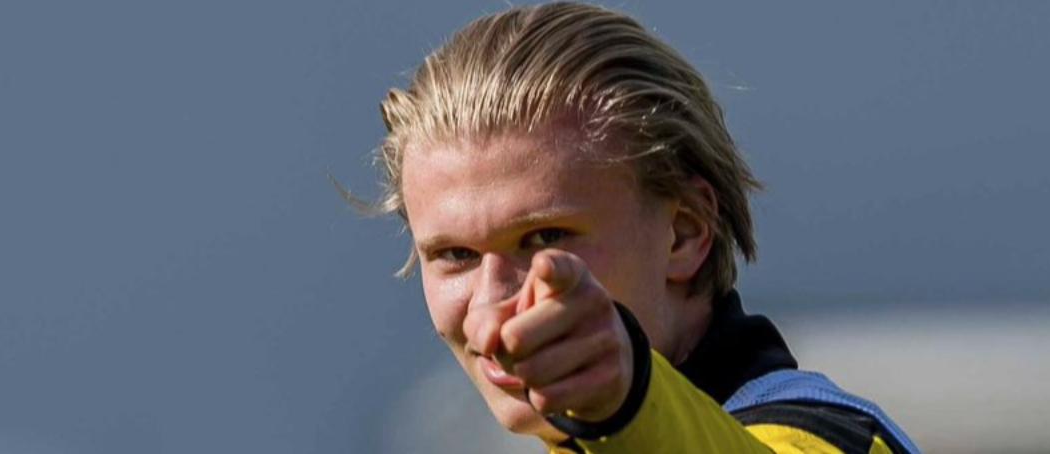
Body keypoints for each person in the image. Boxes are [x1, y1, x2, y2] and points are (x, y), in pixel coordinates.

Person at [366, 2, 920, 453]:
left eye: (546, 238)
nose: (491, 311)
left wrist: (625, 396)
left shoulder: (836, 440)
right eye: (456, 255)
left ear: (684, 233)